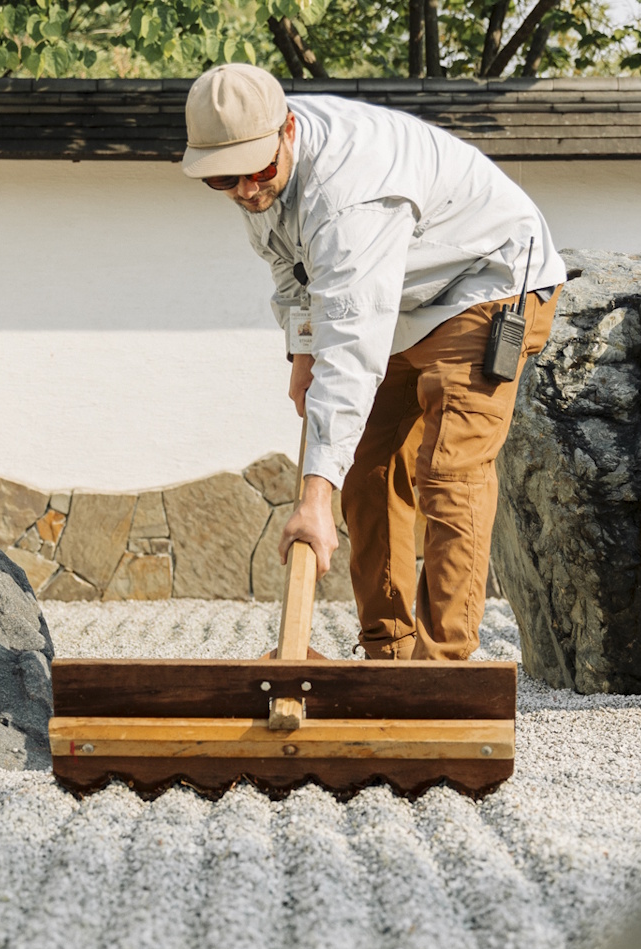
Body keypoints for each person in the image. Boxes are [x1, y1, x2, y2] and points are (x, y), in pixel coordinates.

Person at [183, 63, 565, 660]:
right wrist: (301, 354)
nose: (247, 191)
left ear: (287, 130)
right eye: (223, 181)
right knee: (366, 470)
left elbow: (354, 348)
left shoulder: (348, 194)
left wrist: (312, 502)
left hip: (487, 281)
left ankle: (438, 674)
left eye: (257, 173)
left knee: (447, 472)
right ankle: (387, 655)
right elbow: (291, 267)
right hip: (404, 299)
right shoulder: (256, 168)